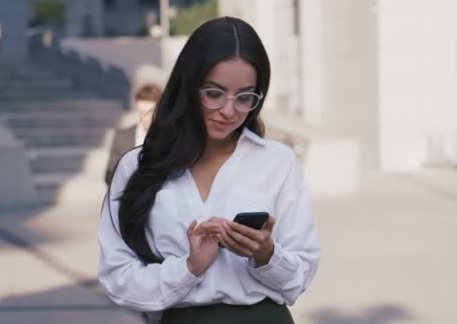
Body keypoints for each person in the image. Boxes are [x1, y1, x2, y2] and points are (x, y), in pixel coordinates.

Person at [98, 17, 321, 324]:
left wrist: (266, 255)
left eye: (245, 97)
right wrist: (189, 268)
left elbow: (299, 278)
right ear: (188, 87)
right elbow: (117, 278)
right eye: (214, 93)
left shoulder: (277, 163)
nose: (229, 110)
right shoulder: (137, 167)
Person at [104, 83, 162, 186]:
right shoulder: (121, 136)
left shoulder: (172, 138)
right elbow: (109, 175)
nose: (145, 117)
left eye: (150, 112)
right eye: (142, 112)